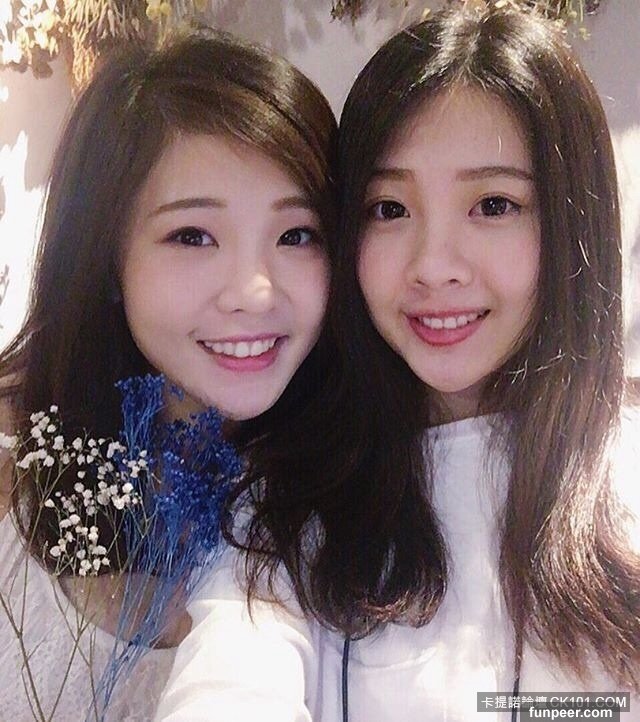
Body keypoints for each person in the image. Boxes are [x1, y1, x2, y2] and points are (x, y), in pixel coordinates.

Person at [156, 3, 640, 722]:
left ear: (572, 223)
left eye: (494, 204)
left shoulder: (623, 479)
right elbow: (228, 680)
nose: (433, 266)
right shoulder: (287, 507)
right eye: (389, 209)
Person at [0, 28, 336, 721]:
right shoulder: (14, 466)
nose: (254, 292)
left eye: (297, 234)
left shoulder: (355, 490)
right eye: (192, 236)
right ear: (107, 259)